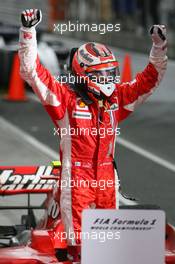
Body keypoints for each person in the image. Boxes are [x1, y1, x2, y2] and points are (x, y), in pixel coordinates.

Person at [19, 9, 167, 262]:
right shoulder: (65, 101)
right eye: (100, 74)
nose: (107, 79)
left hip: (108, 179)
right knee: (80, 248)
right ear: (83, 75)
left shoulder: (116, 100)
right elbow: (32, 71)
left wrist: (159, 46)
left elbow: (148, 81)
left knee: (107, 247)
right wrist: (28, 32)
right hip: (76, 181)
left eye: (110, 73)